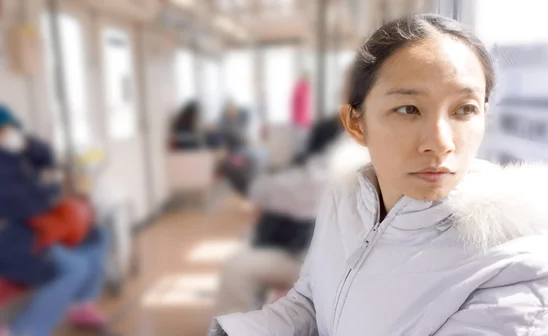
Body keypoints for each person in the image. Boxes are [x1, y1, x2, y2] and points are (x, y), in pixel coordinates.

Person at [210, 14, 548, 335]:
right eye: (408, 109)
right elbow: (311, 302)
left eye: (464, 109)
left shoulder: (517, 270)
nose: (441, 143)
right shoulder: (344, 197)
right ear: (356, 124)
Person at [0, 104, 108, 336]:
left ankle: (81, 306)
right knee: (73, 267)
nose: (13, 133)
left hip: (12, 230)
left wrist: (29, 144)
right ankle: (22, 332)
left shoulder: (6, 153)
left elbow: (47, 157)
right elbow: (26, 204)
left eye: (15, 128)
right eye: (6, 129)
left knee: (96, 236)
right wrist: (52, 189)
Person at [214, 116, 353, 316]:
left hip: (317, 263)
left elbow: (261, 191)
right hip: (331, 256)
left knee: (236, 268)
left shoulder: (319, 176)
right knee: (249, 238)